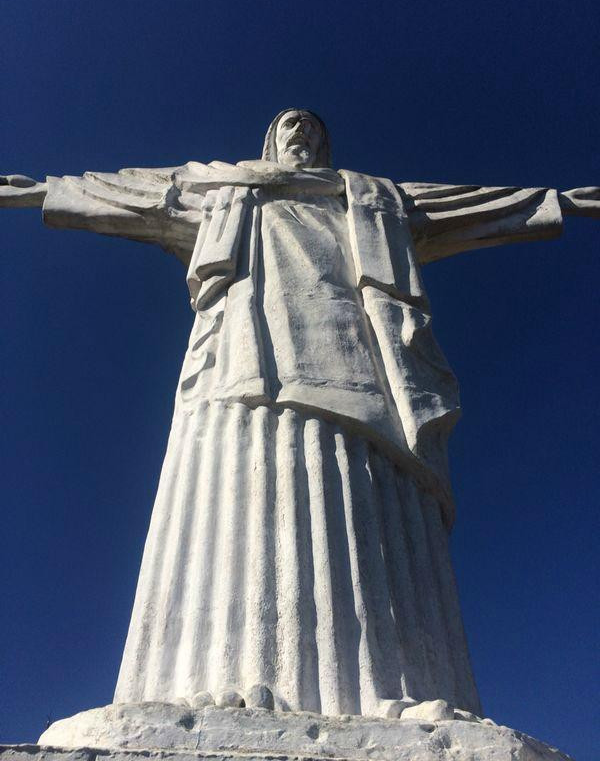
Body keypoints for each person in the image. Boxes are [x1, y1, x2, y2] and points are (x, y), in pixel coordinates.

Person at [2, 109, 598, 717]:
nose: (303, 135)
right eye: (292, 125)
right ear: (270, 138)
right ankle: (205, 684)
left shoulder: (370, 197)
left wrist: (558, 204)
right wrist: (44, 192)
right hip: (242, 353)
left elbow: (468, 205)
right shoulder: (223, 187)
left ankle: (396, 692)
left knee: (375, 497)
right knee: (239, 477)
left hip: (362, 356)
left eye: (314, 129)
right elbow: (129, 195)